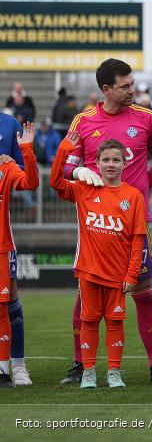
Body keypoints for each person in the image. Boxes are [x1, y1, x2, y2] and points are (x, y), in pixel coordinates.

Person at [60, 59, 152, 386]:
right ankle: (81, 365)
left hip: (134, 224)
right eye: (125, 86)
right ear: (106, 89)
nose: (132, 90)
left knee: (143, 292)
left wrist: (138, 188)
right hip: (95, 224)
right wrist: (78, 171)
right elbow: (66, 168)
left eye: (132, 83)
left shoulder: (147, 118)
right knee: (87, 295)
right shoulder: (83, 122)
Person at [51, 133, 145, 389]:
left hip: (117, 275)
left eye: (116, 160)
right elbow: (56, 182)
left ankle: (114, 372)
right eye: (106, 160)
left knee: (115, 322)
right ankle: (89, 371)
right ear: (97, 163)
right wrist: (65, 150)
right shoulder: (84, 189)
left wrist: (132, 274)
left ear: (124, 163)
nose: (111, 164)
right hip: (89, 271)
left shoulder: (134, 196)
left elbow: (138, 240)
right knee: (89, 321)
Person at [0, 123, 38, 389]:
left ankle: (17, 365)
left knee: (8, 297)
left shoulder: (9, 124)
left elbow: (29, 181)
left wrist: (25, 150)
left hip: (2, 243)